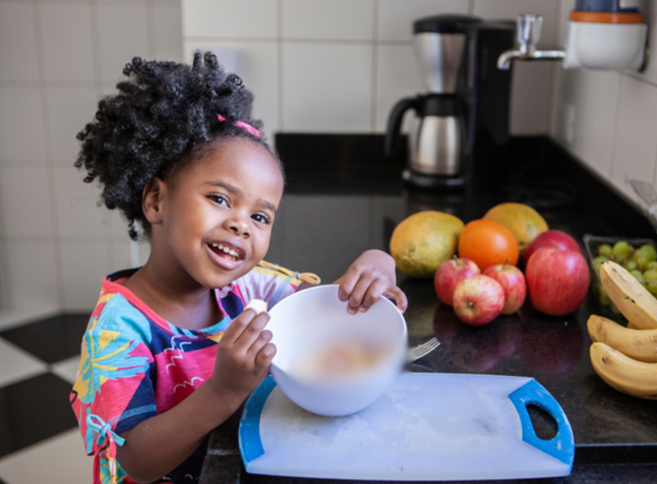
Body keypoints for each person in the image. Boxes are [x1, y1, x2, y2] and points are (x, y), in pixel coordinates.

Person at [70, 52, 408, 484]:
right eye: (220, 199)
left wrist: (373, 271)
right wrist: (223, 391)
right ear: (156, 201)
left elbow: (322, 311)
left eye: (260, 217)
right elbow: (135, 460)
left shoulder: (247, 287)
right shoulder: (118, 331)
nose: (240, 225)